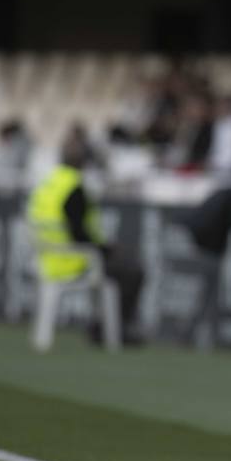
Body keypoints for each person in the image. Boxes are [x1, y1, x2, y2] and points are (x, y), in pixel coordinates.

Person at [27, 133, 144, 345]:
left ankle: (104, 327)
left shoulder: (47, 183)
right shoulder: (74, 188)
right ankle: (111, 329)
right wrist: (105, 249)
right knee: (132, 271)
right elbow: (78, 233)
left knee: (119, 266)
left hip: (46, 260)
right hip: (73, 261)